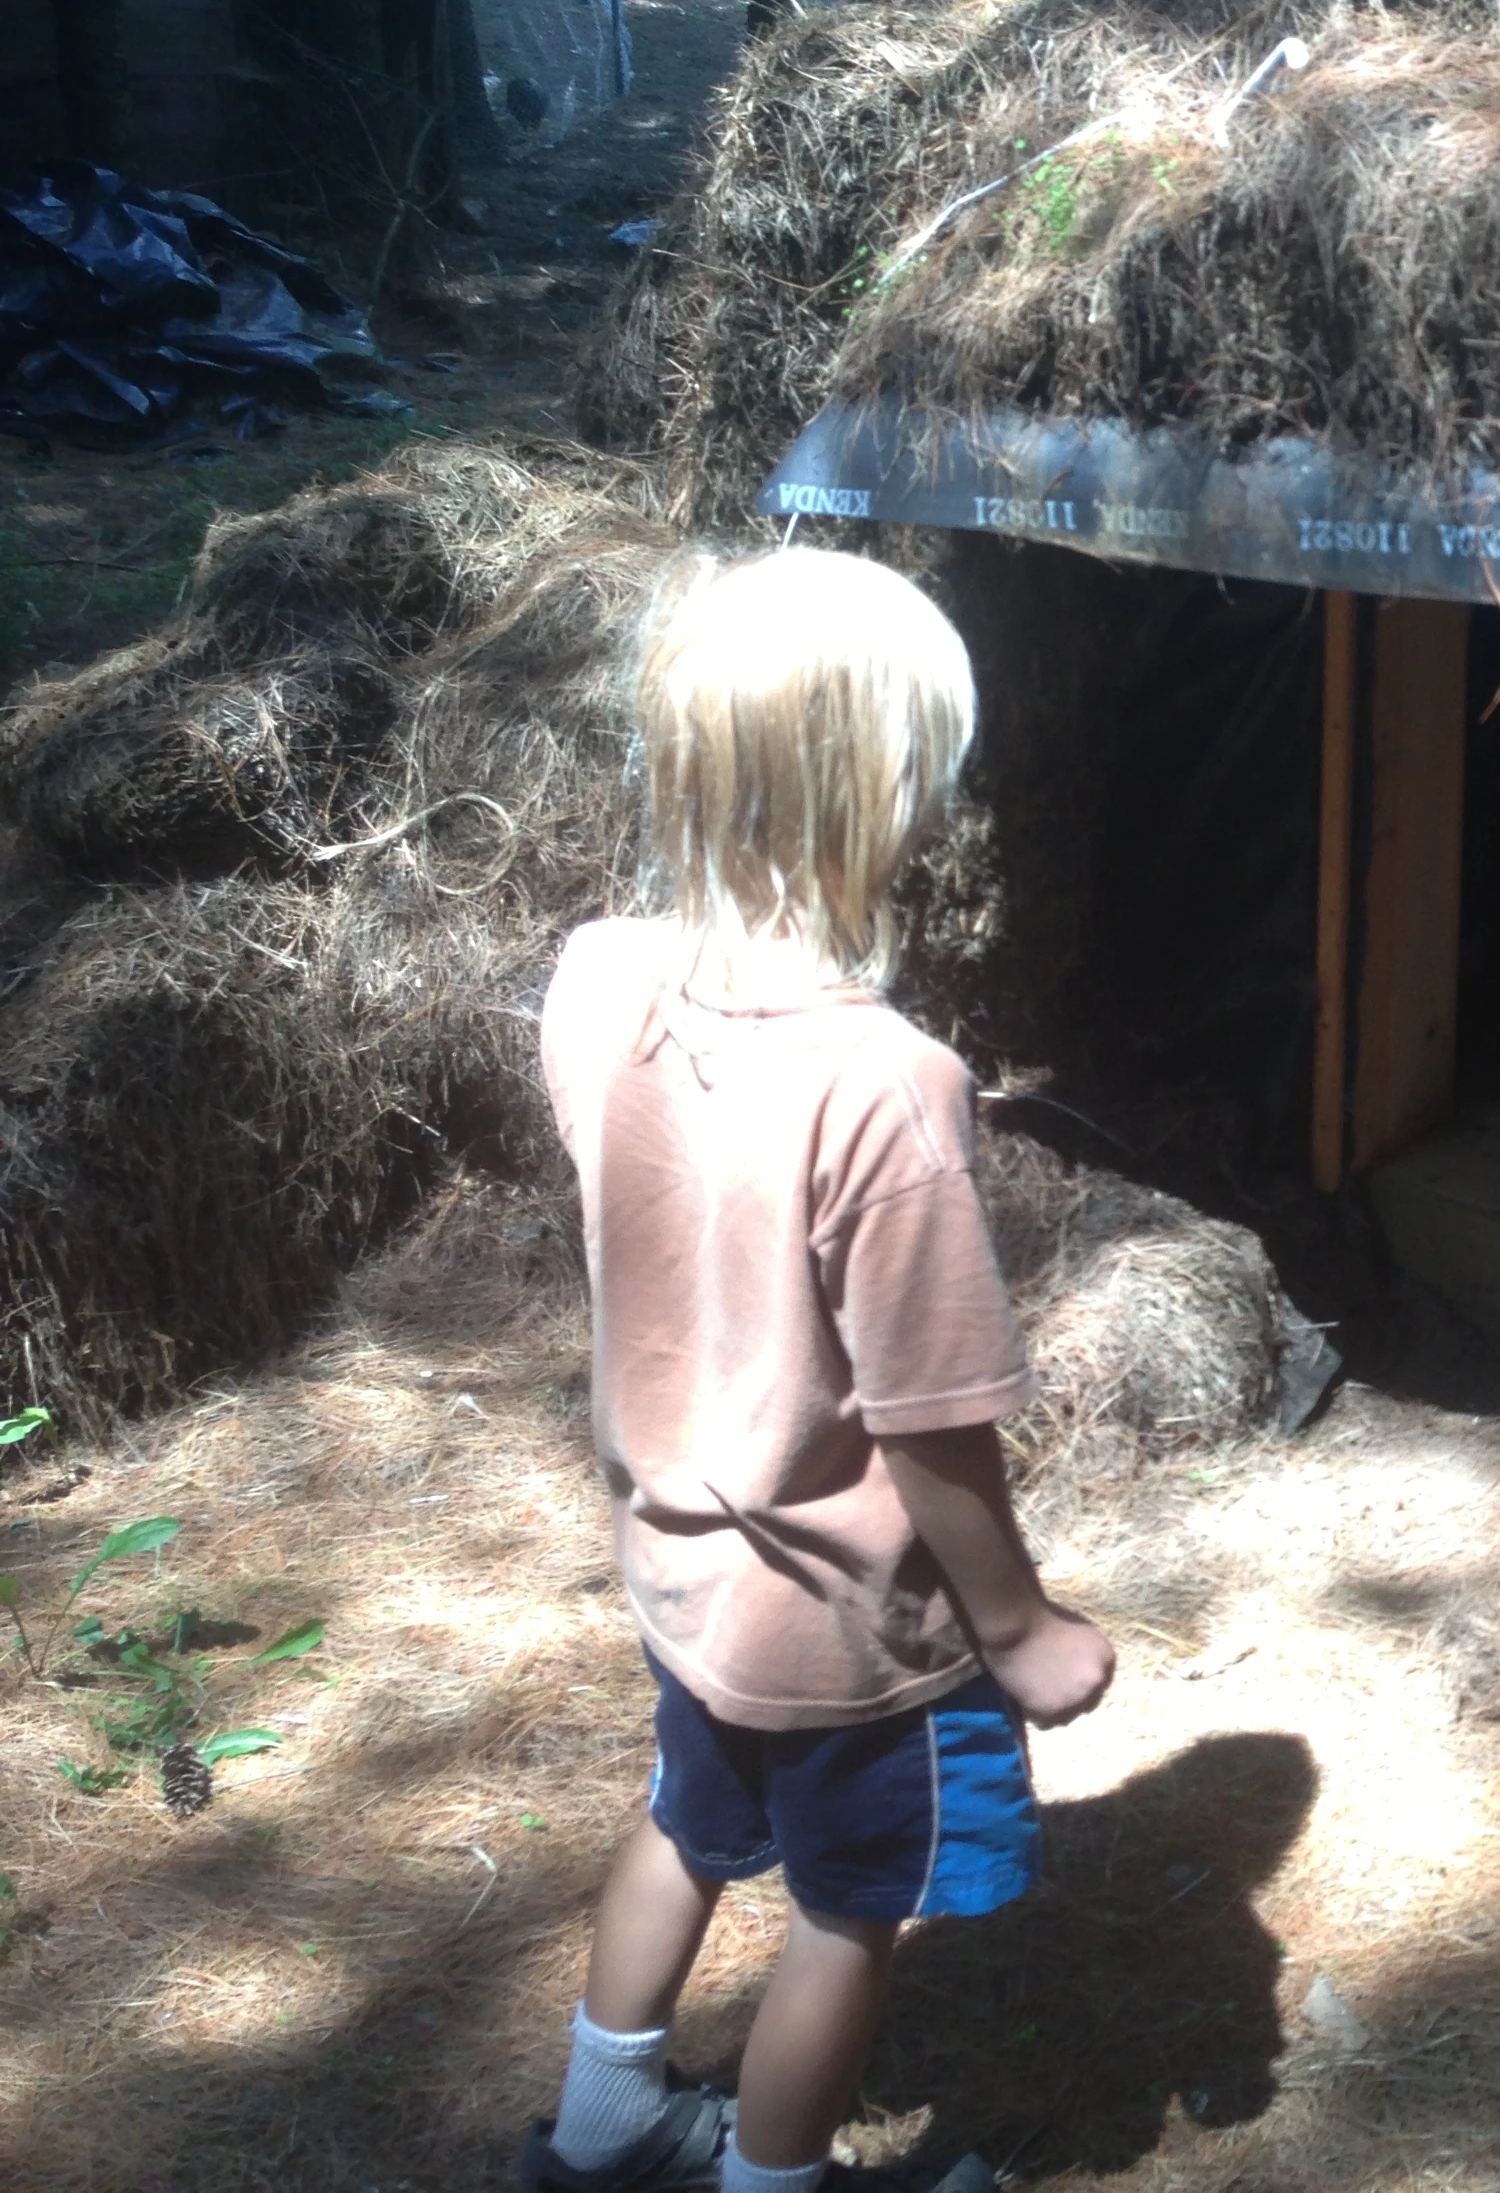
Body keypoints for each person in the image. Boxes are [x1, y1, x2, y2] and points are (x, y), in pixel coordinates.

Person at [524, 548, 1117, 2193]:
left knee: (686, 1823)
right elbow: (929, 1418)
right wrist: (1016, 1625)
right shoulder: (887, 1083)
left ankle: (600, 2123)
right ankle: (772, 2182)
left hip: (688, 1570)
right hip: (860, 1629)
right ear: (887, 792)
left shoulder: (597, 972)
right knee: (849, 1913)